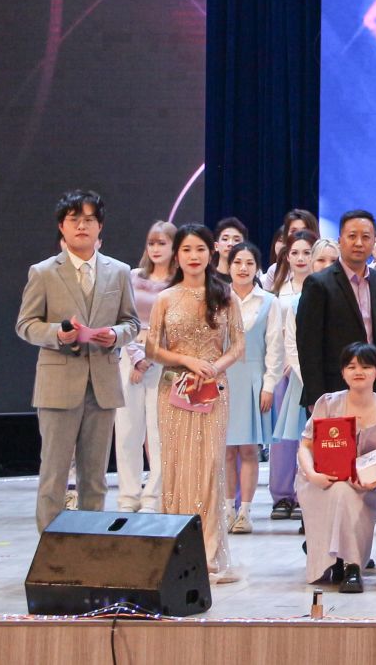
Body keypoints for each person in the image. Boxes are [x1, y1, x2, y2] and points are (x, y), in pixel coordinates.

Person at [18, 190, 142, 533]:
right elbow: (26, 324)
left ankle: (91, 545)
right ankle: (51, 546)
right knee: (54, 474)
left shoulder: (119, 271)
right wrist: (59, 333)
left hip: (102, 384)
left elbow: (131, 322)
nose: (82, 226)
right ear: (62, 226)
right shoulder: (44, 272)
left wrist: (115, 334)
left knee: (96, 476)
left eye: (89, 219)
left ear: (100, 227)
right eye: (74, 219)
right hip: (58, 385)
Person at [145, 223, 245, 581]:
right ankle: (178, 551)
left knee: (209, 467)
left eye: (200, 249)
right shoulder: (165, 298)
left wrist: (214, 367)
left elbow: (238, 345)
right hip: (174, 391)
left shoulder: (226, 296)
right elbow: (152, 348)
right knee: (175, 467)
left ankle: (209, 553)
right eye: (186, 249)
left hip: (212, 392)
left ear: (211, 253)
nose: (193, 256)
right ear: (177, 255)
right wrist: (186, 361)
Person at [296, 342, 376, 592]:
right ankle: (347, 563)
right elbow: (305, 446)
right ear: (343, 372)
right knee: (340, 490)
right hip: (320, 480)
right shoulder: (327, 403)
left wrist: (374, 480)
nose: (358, 372)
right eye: (351, 366)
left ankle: (347, 562)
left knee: (345, 491)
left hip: (364, 484)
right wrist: (313, 474)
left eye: (366, 366)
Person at [297, 210, 376, 406]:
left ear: (374, 240)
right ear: (340, 240)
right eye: (352, 236)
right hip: (333, 389)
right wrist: (316, 398)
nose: (359, 243)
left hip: (375, 388)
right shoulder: (318, 284)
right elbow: (308, 346)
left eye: (366, 237)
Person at [221, 241, 284, 533]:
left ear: (257, 268)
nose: (243, 268)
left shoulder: (269, 302)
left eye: (249, 263)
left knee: (248, 449)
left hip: (254, 380)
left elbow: (275, 347)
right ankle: (227, 510)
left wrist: (269, 385)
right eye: (237, 262)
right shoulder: (218, 298)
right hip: (223, 380)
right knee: (226, 450)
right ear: (228, 266)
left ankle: (245, 512)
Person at [115, 219, 176, 514]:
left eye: (162, 243)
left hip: (163, 359)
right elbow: (122, 318)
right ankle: (128, 496)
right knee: (127, 430)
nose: (155, 249)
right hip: (130, 357)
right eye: (151, 243)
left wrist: (150, 356)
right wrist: (136, 355)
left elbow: (175, 325)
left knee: (158, 430)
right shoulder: (132, 276)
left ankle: (153, 497)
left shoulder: (178, 283)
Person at [266, 229, 316, 520]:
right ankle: (282, 495)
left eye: (306, 252)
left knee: (308, 436)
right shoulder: (277, 290)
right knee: (283, 438)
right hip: (283, 371)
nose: (300, 258)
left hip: (310, 370)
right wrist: (283, 362)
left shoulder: (321, 286)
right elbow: (273, 333)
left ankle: (305, 494)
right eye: (294, 252)